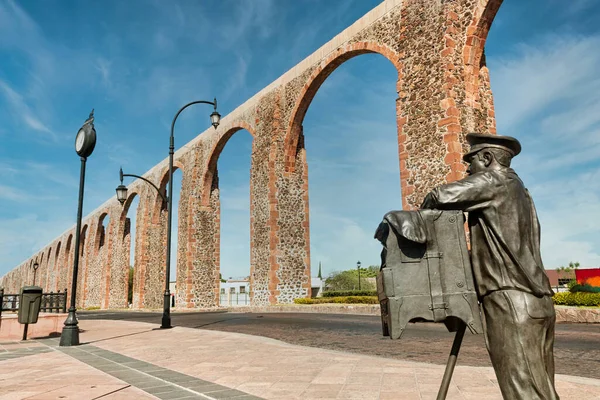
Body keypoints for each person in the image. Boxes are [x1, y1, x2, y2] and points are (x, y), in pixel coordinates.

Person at [421, 133, 559, 400]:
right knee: (542, 390)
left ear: (487, 158)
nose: (468, 169)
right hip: (538, 301)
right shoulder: (522, 192)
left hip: (510, 299)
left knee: (523, 391)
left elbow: (439, 195)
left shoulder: (494, 180)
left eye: (471, 162)